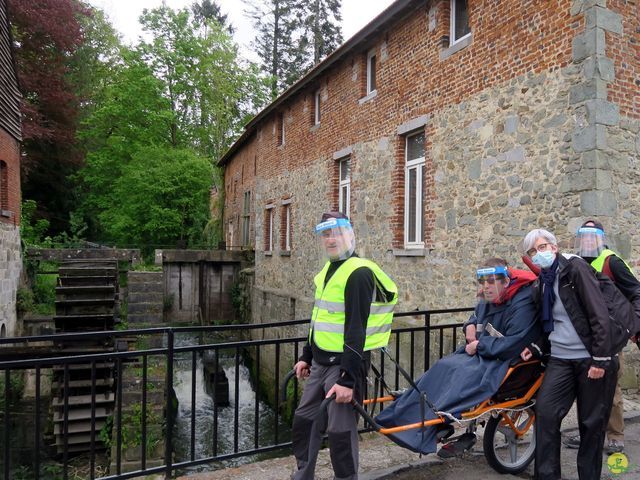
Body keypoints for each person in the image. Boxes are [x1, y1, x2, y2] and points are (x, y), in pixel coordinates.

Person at [375, 258, 540, 457]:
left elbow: (515, 343)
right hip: (479, 354)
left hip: (499, 361)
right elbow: (477, 317)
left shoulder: (522, 303)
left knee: (458, 375)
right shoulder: (489, 299)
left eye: (490, 282)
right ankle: (402, 413)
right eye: (482, 282)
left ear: (505, 281)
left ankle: (431, 426)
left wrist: (480, 345)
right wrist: (468, 325)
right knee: (442, 367)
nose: (484, 287)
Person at [291, 212, 398, 480]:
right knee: (304, 421)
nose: (331, 239)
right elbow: (319, 318)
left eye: (336, 232)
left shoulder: (358, 272)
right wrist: (306, 355)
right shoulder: (328, 270)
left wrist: (348, 379)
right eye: (326, 234)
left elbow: (356, 329)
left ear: (350, 234)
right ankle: (303, 474)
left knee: (340, 433)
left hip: (343, 367)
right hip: (319, 362)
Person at [520, 228, 619, 480]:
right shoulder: (541, 283)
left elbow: (598, 314)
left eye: (542, 247)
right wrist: (535, 347)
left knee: (591, 423)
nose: (538, 254)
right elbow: (549, 323)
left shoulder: (574, 269)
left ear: (554, 247)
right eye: (532, 251)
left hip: (590, 358)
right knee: (545, 412)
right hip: (561, 359)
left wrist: (600, 358)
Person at [563, 220, 640, 454]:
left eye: (592, 235)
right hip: (582, 335)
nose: (587, 240)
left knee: (612, 387)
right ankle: (586, 431)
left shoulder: (612, 261)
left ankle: (615, 435)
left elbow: (636, 291)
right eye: (583, 236)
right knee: (584, 387)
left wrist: (633, 324)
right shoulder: (574, 262)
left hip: (608, 334)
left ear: (600, 238)